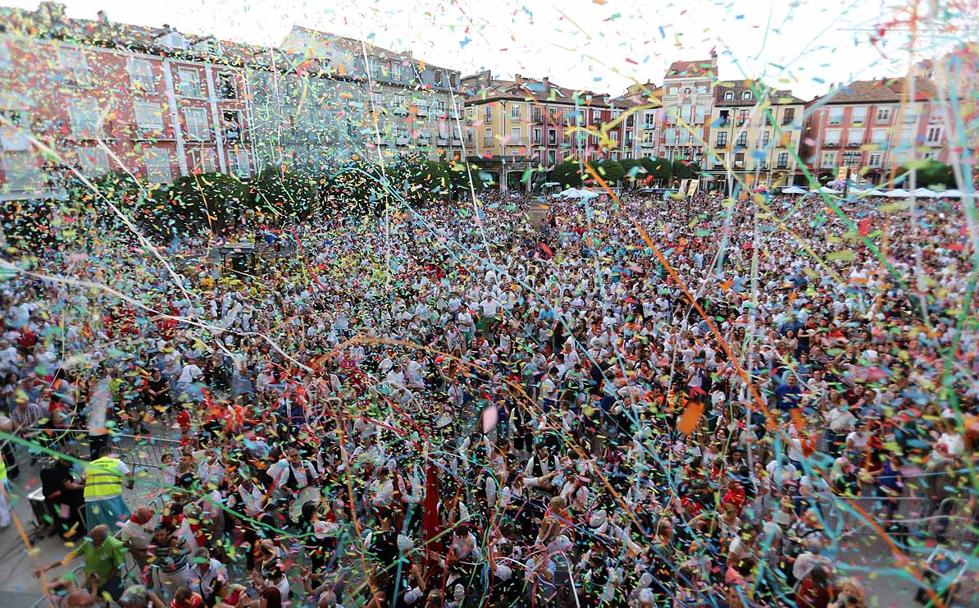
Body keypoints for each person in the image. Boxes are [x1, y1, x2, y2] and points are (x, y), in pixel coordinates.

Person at [36, 524, 128, 602]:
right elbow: (71, 556)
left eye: (93, 535)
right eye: (91, 533)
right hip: (91, 584)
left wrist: (107, 582)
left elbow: (118, 567)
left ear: (101, 539)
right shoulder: (88, 543)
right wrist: (49, 567)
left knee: (118, 601)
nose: (90, 536)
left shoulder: (113, 545)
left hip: (108, 585)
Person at [82, 445, 134, 529]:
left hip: (90, 499)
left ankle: (104, 540)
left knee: (97, 526)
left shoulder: (91, 464)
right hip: (110, 497)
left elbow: (83, 480)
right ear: (111, 454)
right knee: (118, 522)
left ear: (100, 455)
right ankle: (121, 539)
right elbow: (130, 477)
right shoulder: (117, 462)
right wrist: (130, 485)